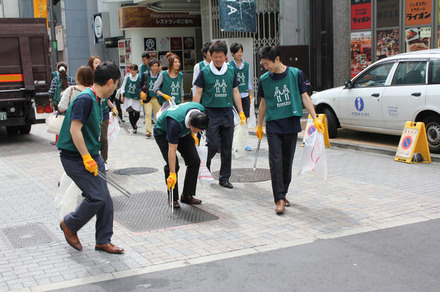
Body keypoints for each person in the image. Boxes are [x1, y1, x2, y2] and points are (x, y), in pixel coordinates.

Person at [57, 61, 124, 254]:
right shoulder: (85, 98)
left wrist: (93, 157)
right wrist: (86, 158)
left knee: (106, 200)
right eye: (117, 83)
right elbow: (74, 129)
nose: (116, 87)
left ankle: (103, 240)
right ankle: (69, 225)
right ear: (110, 82)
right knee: (97, 197)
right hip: (75, 157)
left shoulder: (97, 98)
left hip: (92, 155)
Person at [255, 46, 324, 214]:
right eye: (263, 64)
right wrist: (259, 124)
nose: (265, 67)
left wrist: (315, 118)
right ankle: (278, 198)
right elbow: (263, 103)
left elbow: (305, 97)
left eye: (267, 63)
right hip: (273, 125)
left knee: (287, 161)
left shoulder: (296, 74)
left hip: (290, 123)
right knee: (275, 161)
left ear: (277, 59)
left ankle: (283, 192)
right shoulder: (264, 79)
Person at [193, 40, 246, 189]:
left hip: (227, 112)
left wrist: (241, 112)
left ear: (225, 56)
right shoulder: (205, 72)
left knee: (227, 147)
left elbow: (235, 92)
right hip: (210, 113)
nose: (217, 59)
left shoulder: (230, 71)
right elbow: (198, 93)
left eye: (220, 56)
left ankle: (224, 178)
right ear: (210, 55)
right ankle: (205, 166)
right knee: (213, 144)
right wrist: (194, 113)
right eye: (215, 56)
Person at [154, 102, 209, 208]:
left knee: (194, 161)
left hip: (183, 133)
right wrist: (172, 173)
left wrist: (194, 134)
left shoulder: (200, 111)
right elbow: (172, 150)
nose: (199, 132)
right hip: (163, 133)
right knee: (173, 166)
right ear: (189, 122)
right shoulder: (174, 123)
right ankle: (173, 198)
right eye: (197, 130)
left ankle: (187, 195)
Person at [89, 56, 118, 170]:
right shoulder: (87, 97)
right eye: (96, 63)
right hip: (94, 112)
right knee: (94, 136)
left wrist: (113, 107)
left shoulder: (106, 82)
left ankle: (104, 160)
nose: (98, 64)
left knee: (104, 138)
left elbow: (107, 98)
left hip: (104, 112)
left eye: (100, 62)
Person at [229, 42, 253, 151]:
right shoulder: (229, 65)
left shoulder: (246, 65)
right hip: (234, 96)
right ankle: (235, 143)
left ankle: (244, 143)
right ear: (232, 53)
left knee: (245, 118)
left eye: (241, 51)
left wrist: (250, 93)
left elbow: (248, 79)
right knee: (235, 120)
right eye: (237, 52)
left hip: (244, 95)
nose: (239, 54)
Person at [48, 62, 76, 144]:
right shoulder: (71, 79)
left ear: (57, 70)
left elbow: (51, 91)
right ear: (66, 70)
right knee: (70, 120)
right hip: (70, 103)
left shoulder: (55, 80)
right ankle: (70, 138)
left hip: (58, 103)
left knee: (59, 120)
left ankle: (59, 140)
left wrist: (51, 101)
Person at [139, 59, 162, 137]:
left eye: (156, 66)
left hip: (157, 98)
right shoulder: (145, 75)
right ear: (150, 67)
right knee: (148, 114)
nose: (154, 68)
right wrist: (141, 92)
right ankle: (148, 131)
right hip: (147, 97)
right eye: (152, 66)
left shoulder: (160, 75)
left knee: (157, 115)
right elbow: (139, 85)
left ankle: (157, 129)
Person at [120, 64, 142, 133]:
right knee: (130, 113)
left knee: (137, 114)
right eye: (131, 70)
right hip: (128, 98)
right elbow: (123, 86)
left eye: (134, 70)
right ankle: (134, 127)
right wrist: (122, 95)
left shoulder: (139, 78)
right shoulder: (127, 77)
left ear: (136, 71)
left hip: (136, 98)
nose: (132, 72)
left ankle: (134, 123)